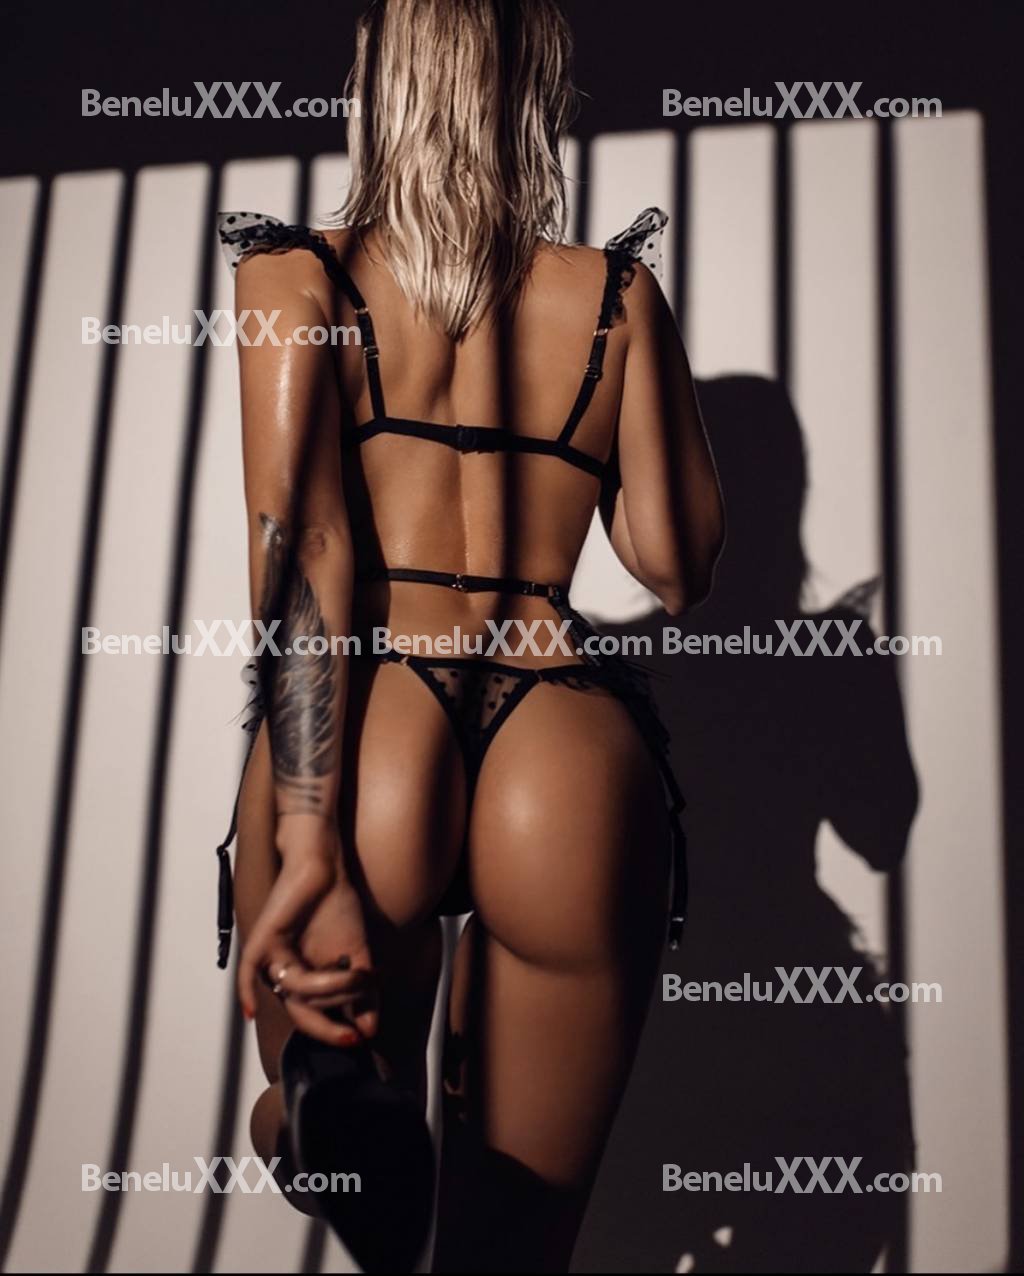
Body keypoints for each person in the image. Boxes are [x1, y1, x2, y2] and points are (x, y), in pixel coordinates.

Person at [213, 0, 723, 1268]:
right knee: (516, 1250)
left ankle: (314, 1117)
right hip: (561, 738)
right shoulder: (610, 295)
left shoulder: (295, 278)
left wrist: (310, 840)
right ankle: (335, 1121)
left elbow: (310, 555)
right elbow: (676, 564)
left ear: (382, 81)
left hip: (375, 720)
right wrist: (630, 347)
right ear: (534, 87)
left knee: (329, 1114)